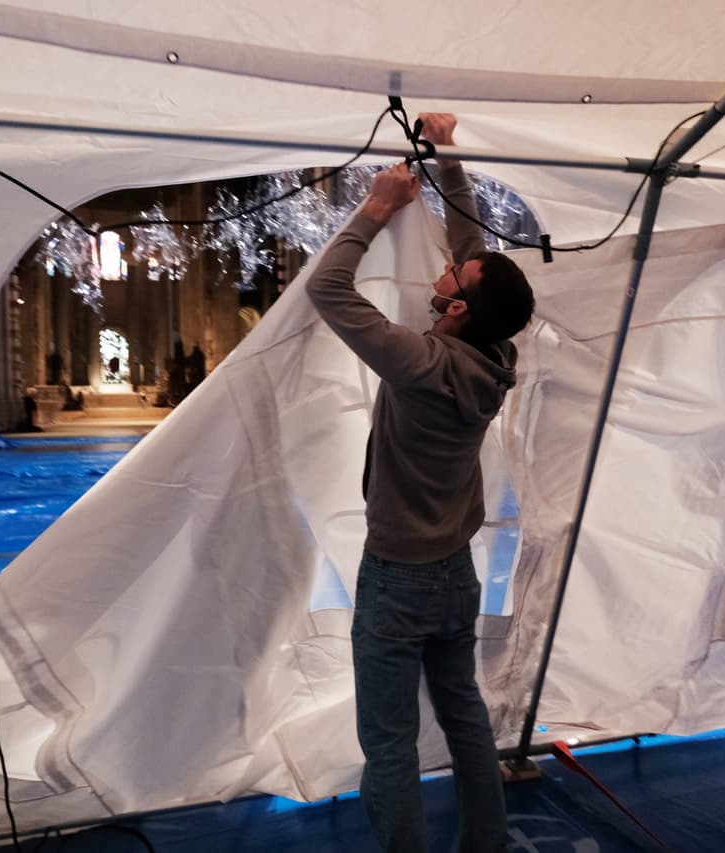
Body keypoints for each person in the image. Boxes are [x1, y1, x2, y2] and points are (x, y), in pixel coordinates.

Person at [305, 113, 534, 853]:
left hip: (399, 580)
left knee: (391, 742)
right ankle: (486, 843)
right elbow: (476, 251)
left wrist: (375, 210)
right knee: (464, 714)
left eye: (454, 275)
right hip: (453, 577)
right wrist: (447, 157)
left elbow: (328, 287)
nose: (447, 263)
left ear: (458, 307)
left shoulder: (421, 362)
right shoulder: (494, 352)